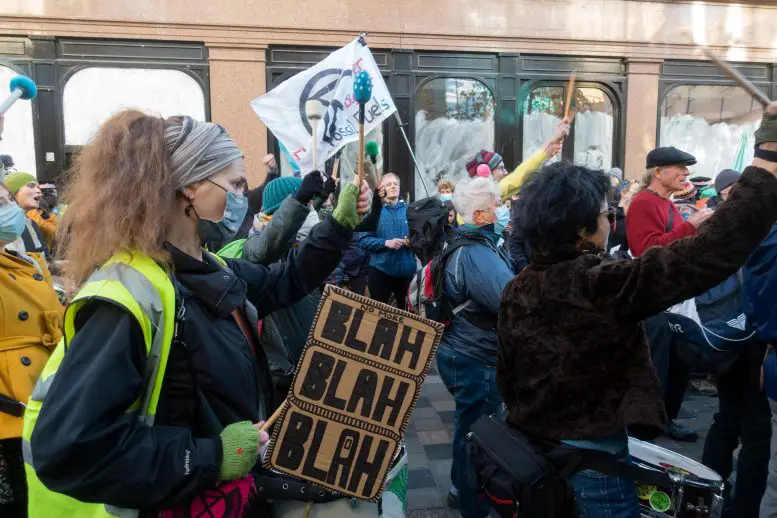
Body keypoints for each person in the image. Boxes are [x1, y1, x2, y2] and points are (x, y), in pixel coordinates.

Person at [22, 111, 370, 517]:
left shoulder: (211, 267)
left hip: (222, 499)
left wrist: (340, 224)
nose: (243, 197)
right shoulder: (129, 296)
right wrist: (212, 455)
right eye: (236, 184)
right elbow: (70, 447)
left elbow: (284, 281)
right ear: (190, 187)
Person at [499, 101, 777, 515]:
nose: (612, 221)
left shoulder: (519, 284)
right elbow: (709, 252)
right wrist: (768, 153)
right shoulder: (597, 284)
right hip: (591, 464)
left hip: (536, 451)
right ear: (580, 229)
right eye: (605, 214)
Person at [436, 177, 515, 517]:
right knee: (478, 436)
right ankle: (472, 504)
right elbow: (510, 299)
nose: (502, 211)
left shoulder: (468, 243)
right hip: (476, 354)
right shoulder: (475, 253)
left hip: (463, 349)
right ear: (480, 213)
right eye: (496, 206)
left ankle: (459, 487)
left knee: (468, 426)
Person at [627, 147, 714, 442]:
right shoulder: (643, 203)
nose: (686, 173)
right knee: (658, 363)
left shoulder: (668, 203)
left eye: (686, 169)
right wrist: (692, 226)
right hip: (654, 298)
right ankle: (646, 427)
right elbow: (646, 251)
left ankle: (667, 419)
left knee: (679, 362)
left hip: (673, 296)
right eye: (679, 167)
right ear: (658, 172)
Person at [0, 181, 63, 518]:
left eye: (9, 199)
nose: (8, 208)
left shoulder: (19, 253)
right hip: (9, 404)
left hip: (40, 391)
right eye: (0, 201)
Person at [359, 173, 416, 309]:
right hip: (380, 272)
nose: (393, 187)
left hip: (406, 273)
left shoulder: (412, 211)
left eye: (395, 184)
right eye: (389, 184)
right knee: (378, 316)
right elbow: (363, 241)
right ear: (382, 188)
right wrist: (385, 243)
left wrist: (412, 241)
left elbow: (421, 238)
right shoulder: (374, 212)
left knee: (407, 317)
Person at [5, 171, 58, 250]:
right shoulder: (4, 223)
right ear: (12, 192)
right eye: (31, 186)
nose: (38, 191)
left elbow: (40, 255)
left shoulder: (31, 223)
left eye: (38, 187)